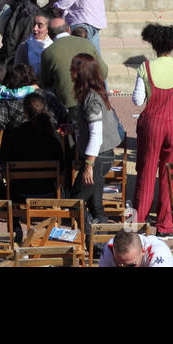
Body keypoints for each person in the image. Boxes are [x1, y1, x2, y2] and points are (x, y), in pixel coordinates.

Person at [131, 24, 173, 235]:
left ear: (153, 45)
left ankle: (138, 221)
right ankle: (165, 224)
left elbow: (136, 100)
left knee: (146, 172)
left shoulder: (145, 67)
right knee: (171, 175)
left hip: (152, 124)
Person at [71, 52, 122, 225]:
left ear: (81, 73)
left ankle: (90, 240)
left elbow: (96, 134)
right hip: (100, 156)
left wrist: (89, 165)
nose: (70, 73)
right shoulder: (91, 94)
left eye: (73, 69)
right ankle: (99, 245)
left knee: (75, 202)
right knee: (95, 205)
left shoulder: (92, 99)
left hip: (98, 157)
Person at [97, 228, 173, 267]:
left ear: (142, 251)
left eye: (131, 265)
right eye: (119, 264)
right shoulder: (109, 249)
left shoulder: (159, 253)